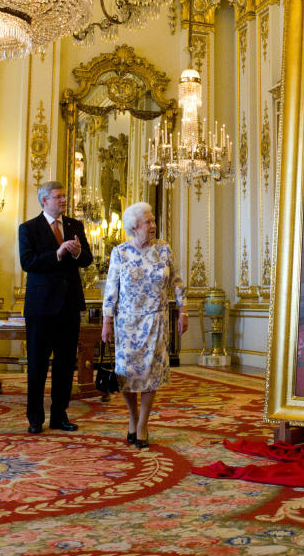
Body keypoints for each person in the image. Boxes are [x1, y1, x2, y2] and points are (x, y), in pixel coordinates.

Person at [101, 202, 187, 448]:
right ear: (134, 227)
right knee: (126, 374)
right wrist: (106, 322)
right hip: (127, 323)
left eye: (153, 220)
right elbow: (111, 290)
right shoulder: (120, 252)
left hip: (156, 321)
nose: (153, 225)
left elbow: (177, 281)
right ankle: (131, 416)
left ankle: (143, 424)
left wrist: (184, 311)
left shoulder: (163, 250)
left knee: (151, 374)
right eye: (148, 222)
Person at [19, 181, 93, 434]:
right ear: (44, 200)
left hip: (69, 305)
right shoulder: (28, 228)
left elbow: (87, 260)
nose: (64, 200)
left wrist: (77, 251)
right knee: (38, 364)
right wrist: (58, 252)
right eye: (58, 197)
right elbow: (28, 262)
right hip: (41, 308)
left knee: (64, 364)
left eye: (64, 196)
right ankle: (35, 418)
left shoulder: (74, 225)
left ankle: (59, 416)